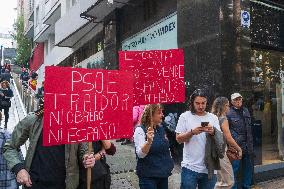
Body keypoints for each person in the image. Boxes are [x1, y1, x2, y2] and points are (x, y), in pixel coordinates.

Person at [3, 102, 96, 189]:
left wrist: (87, 158)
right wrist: (19, 169)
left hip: (65, 185)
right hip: (34, 184)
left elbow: (85, 151)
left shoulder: (77, 124)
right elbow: (10, 147)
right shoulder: (34, 119)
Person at [175, 89, 222, 189]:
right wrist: (192, 132)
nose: (200, 106)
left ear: (207, 102)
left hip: (209, 167)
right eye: (197, 103)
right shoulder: (185, 116)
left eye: (203, 103)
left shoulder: (213, 117)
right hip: (190, 167)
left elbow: (220, 140)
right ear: (192, 103)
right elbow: (178, 139)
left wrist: (213, 132)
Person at [134, 104, 174, 189]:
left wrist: (169, 163)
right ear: (151, 115)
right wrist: (148, 142)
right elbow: (140, 155)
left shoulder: (161, 128)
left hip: (163, 174)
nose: (162, 115)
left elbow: (166, 148)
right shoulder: (140, 130)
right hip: (148, 176)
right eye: (159, 113)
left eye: (162, 112)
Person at [211, 97, 242, 189]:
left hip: (211, 151)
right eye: (227, 105)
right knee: (228, 181)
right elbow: (228, 138)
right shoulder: (223, 119)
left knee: (219, 180)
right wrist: (238, 148)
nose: (229, 107)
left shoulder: (212, 117)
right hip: (220, 152)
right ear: (223, 107)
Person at [227, 93, 253, 189]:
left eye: (239, 99)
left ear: (242, 100)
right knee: (234, 169)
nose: (238, 101)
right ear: (232, 102)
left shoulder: (246, 111)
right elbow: (226, 131)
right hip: (236, 146)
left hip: (248, 145)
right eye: (236, 100)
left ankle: (246, 186)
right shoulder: (228, 113)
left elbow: (249, 128)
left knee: (248, 168)